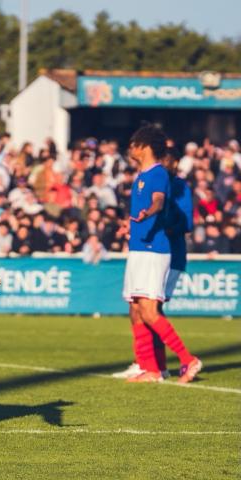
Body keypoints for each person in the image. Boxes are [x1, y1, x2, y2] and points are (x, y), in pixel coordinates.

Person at [120, 126, 201, 384]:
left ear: (144, 146)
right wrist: (131, 226)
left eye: (134, 143)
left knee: (149, 309)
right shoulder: (142, 175)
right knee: (136, 308)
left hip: (153, 250)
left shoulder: (157, 174)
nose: (130, 148)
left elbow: (158, 201)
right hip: (139, 247)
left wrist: (150, 212)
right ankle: (150, 368)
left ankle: (187, 360)